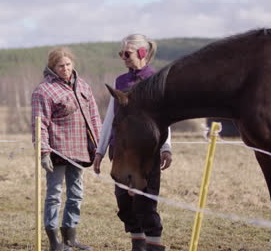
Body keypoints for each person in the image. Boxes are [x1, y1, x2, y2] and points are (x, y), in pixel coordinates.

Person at [92, 34, 173, 251]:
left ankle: (154, 246)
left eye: (126, 53)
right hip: (120, 151)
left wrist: (166, 147)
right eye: (121, 54)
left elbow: (165, 117)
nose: (123, 58)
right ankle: (137, 246)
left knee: (144, 203)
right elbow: (111, 117)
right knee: (124, 203)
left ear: (142, 53)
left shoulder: (156, 80)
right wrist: (100, 151)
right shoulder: (120, 82)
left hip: (147, 153)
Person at [31, 47, 101, 251]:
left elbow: (94, 117)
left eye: (68, 64)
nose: (65, 69)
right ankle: (54, 241)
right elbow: (39, 124)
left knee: (76, 193)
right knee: (54, 194)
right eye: (60, 65)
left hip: (80, 150)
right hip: (57, 152)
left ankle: (70, 237)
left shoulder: (83, 87)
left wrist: (99, 146)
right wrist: (43, 152)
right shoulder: (43, 90)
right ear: (52, 67)